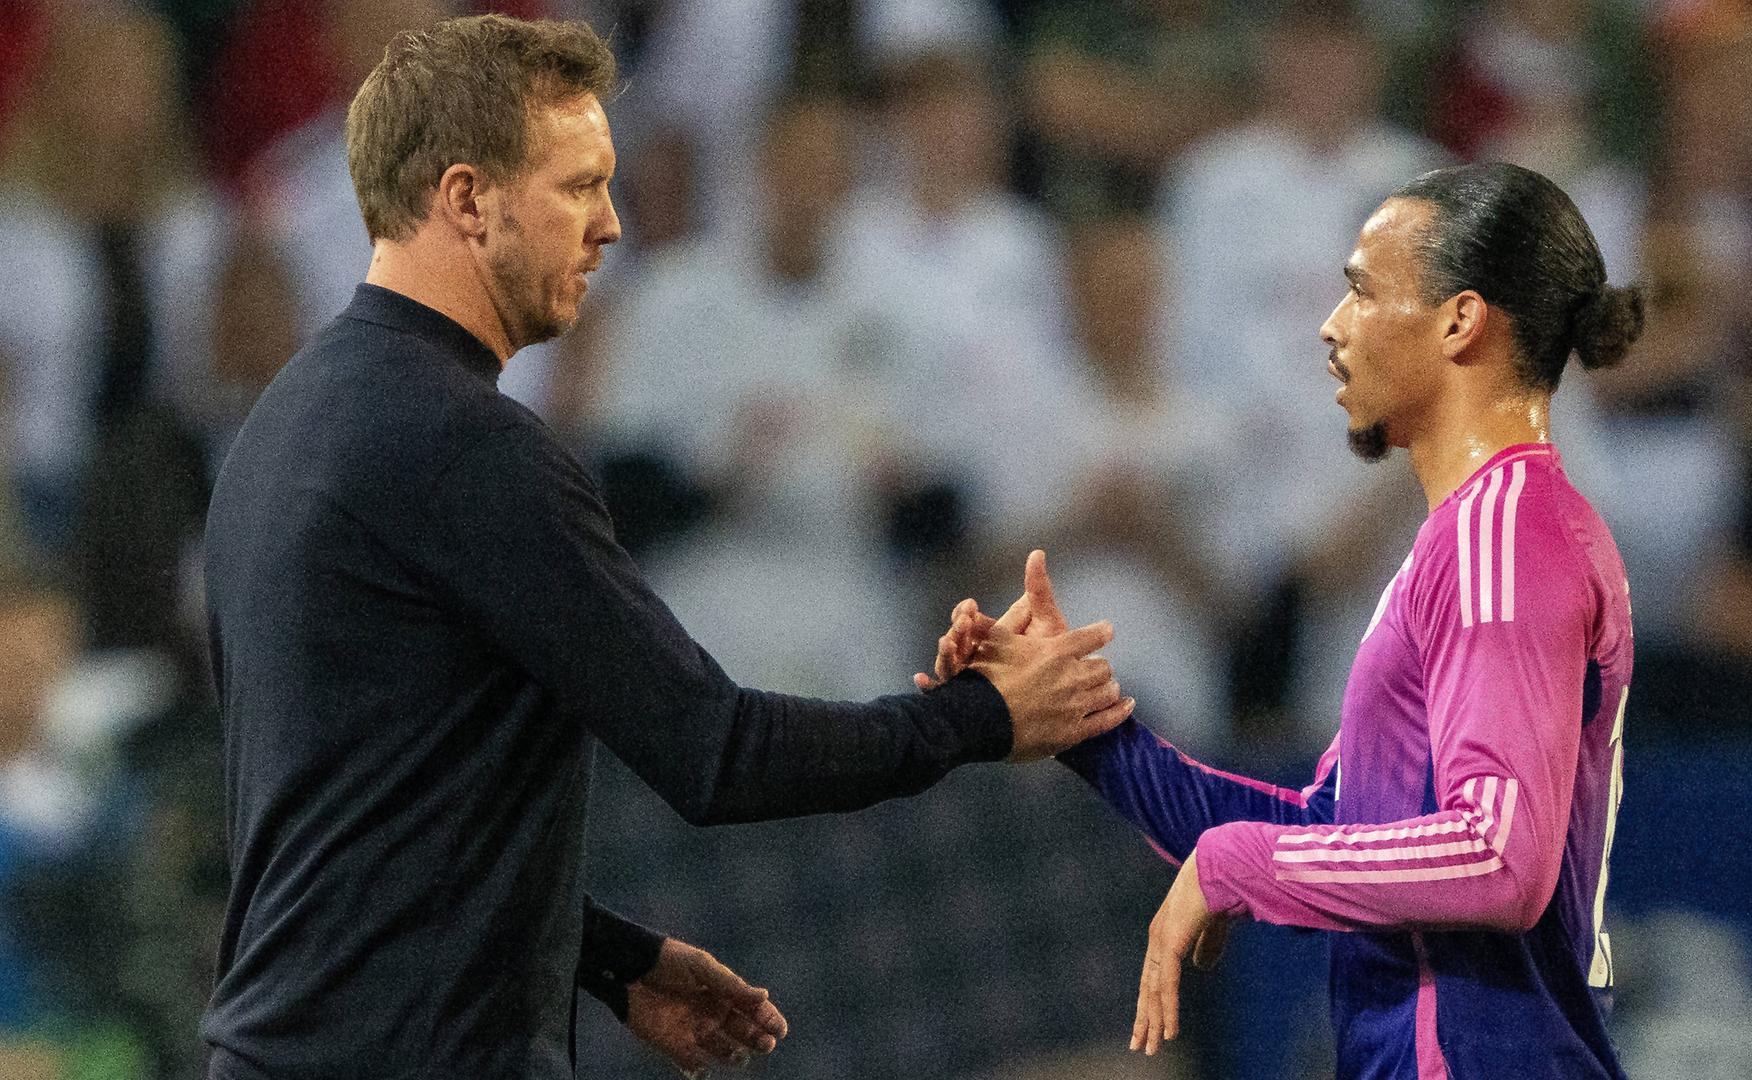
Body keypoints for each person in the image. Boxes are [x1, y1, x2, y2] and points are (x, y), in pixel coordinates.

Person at [199, 15, 1132, 1080]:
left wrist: (602, 952)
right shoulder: (471, 450)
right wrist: (985, 715)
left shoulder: (286, 429)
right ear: (465, 200)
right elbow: (713, 751)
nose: (610, 228)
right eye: (577, 187)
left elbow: (347, 825)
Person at [930, 162, 1644, 1076]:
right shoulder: (1465, 538)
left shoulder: (1504, 537)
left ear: (1459, 324)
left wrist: (1242, 867)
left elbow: (1501, 857)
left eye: (1364, 296)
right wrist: (1077, 721)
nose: (1332, 327)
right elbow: (1329, 824)